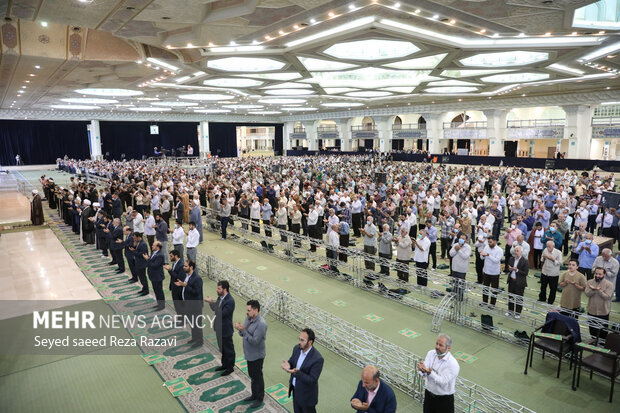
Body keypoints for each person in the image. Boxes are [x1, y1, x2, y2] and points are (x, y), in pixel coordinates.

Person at [235, 299, 268, 409]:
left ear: (256, 310)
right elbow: (243, 332)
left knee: (258, 377)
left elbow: (255, 341)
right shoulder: (248, 318)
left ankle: (259, 398)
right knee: (252, 376)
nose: (246, 312)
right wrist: (240, 330)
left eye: (249, 310)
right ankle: (254, 394)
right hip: (249, 354)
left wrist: (243, 331)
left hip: (257, 355)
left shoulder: (261, 324)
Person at [282, 328, 324, 413]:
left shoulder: (318, 359)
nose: (299, 342)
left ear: (310, 342)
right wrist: (288, 365)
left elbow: (312, 380)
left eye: (302, 340)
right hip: (295, 391)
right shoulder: (297, 349)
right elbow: (292, 361)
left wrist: (296, 372)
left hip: (307, 398)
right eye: (299, 339)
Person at [417, 334, 459, 413]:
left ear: (448, 348)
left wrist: (430, 373)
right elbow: (425, 369)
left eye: (440, 345)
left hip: (444, 401)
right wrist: (422, 370)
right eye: (436, 343)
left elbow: (443, 382)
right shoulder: (431, 353)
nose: (437, 347)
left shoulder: (453, 364)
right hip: (429, 396)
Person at [206, 280, 236, 375]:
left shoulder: (230, 301)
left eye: (219, 288)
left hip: (226, 329)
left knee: (228, 349)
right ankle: (225, 364)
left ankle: (230, 367)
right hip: (219, 328)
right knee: (222, 348)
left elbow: (221, 314)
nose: (217, 290)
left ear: (225, 289)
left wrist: (212, 303)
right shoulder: (220, 298)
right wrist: (211, 303)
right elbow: (215, 308)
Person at [175, 260, 203, 347]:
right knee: (192, 323)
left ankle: (199, 341)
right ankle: (194, 337)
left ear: (191, 267)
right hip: (188, 304)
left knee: (197, 323)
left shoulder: (197, 278)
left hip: (195, 305)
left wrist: (185, 286)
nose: (184, 267)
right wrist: (182, 285)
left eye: (186, 266)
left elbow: (196, 292)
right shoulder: (187, 276)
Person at [584, 267, 614, 339]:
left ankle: (602, 345)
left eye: (600, 274)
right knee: (592, 330)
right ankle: (593, 342)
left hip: (603, 312)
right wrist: (593, 290)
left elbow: (607, 297)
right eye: (596, 273)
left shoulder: (609, 284)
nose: (597, 275)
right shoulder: (590, 282)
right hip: (591, 310)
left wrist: (598, 290)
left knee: (603, 331)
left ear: (604, 274)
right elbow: (587, 294)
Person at [477, 237, 503, 308]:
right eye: (488, 242)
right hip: (486, 271)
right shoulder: (486, 247)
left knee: (494, 289)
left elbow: (496, 260)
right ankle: (484, 302)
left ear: (495, 241)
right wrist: (482, 255)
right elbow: (482, 258)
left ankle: (492, 304)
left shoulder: (499, 250)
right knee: (485, 288)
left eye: (490, 242)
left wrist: (488, 255)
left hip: (494, 273)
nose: (489, 243)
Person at [505, 245, 529, 318]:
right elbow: (508, 269)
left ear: (521, 252)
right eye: (515, 251)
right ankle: (510, 310)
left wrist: (517, 270)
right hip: (511, 281)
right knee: (511, 297)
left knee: (519, 298)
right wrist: (510, 269)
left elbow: (525, 273)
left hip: (519, 283)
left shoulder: (525, 261)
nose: (515, 252)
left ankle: (518, 313)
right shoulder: (511, 259)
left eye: (517, 251)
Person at [539, 240, 562, 305]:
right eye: (547, 246)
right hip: (545, 271)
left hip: (553, 274)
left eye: (549, 246)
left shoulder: (558, 252)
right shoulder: (545, 250)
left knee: (553, 288)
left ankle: (550, 301)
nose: (548, 248)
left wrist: (552, 259)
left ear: (553, 246)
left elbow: (560, 263)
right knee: (543, 286)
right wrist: (543, 257)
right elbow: (541, 260)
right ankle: (542, 298)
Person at [144, 240, 165, 311]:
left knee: (159, 291)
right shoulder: (154, 252)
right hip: (153, 275)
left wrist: (148, 260)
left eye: (153, 245)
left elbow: (155, 265)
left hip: (157, 276)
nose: (152, 246)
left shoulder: (160, 255)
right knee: (156, 290)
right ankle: (159, 303)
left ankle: (161, 305)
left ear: (158, 247)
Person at [449, 233, 471, 301]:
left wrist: (459, 250)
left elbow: (465, 256)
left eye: (463, 239)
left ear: (466, 240)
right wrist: (456, 249)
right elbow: (451, 254)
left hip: (462, 269)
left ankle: (460, 298)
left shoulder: (468, 247)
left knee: (461, 285)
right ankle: (454, 296)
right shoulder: (455, 245)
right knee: (455, 284)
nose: (461, 240)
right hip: (454, 268)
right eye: (460, 238)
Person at [164, 249, 185, 314]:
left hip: (178, 289)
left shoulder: (181, 265)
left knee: (179, 305)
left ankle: (183, 319)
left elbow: (178, 277)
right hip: (174, 287)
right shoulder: (174, 263)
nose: (170, 258)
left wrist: (170, 270)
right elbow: (173, 276)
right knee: (176, 304)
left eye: (171, 256)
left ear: (176, 256)